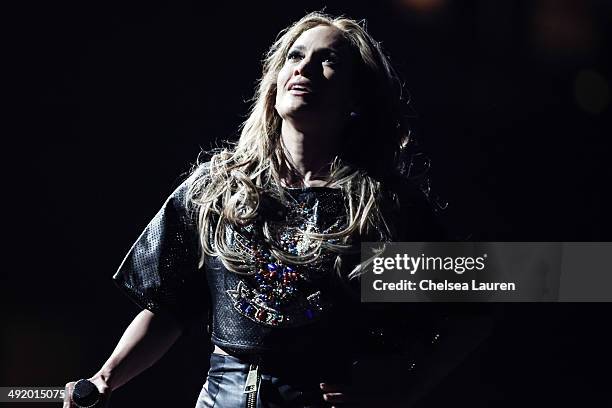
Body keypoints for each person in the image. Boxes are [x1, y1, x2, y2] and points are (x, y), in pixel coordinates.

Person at [64, 11, 449, 408]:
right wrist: (103, 379)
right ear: (275, 81)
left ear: (356, 96)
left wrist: (405, 391)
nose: (305, 67)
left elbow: (488, 296)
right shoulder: (217, 189)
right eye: (294, 56)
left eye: (329, 60)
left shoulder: (382, 204)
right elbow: (168, 308)